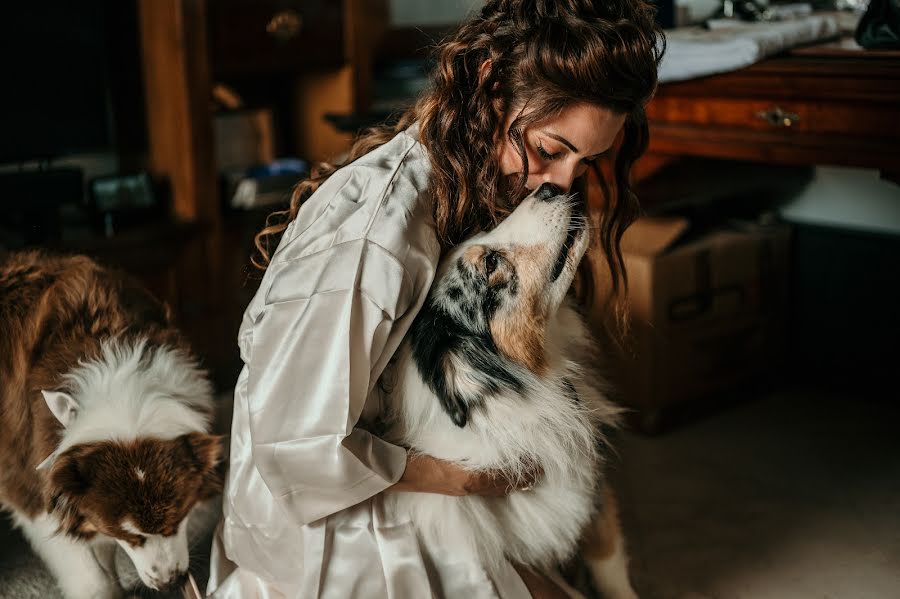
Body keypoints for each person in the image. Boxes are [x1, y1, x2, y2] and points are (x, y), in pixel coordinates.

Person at [206, 1, 663, 597]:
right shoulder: (376, 236)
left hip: (400, 454)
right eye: (552, 150)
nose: (565, 184)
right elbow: (295, 450)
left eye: (587, 161)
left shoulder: (463, 157)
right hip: (331, 507)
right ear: (490, 86)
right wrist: (458, 478)